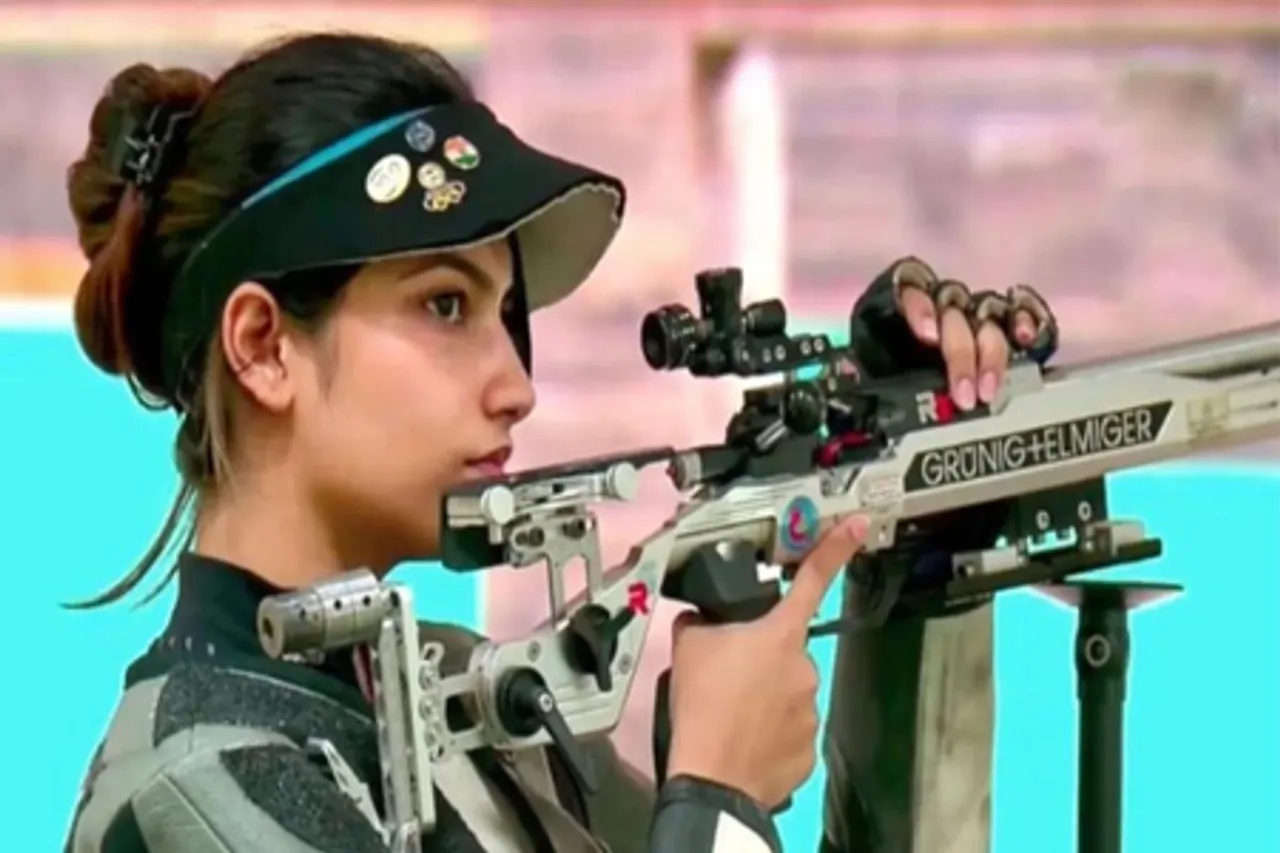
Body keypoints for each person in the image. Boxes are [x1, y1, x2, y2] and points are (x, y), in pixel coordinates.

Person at [62, 32, 1057, 853]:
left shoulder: (464, 704)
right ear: (263, 345)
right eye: (444, 304)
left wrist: (924, 563)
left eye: (507, 316)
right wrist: (716, 792)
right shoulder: (198, 785)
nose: (516, 386)